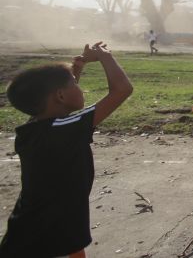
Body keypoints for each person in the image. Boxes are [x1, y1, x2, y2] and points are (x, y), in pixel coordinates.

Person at [0, 42, 134, 257]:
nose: (80, 88)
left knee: (72, 247)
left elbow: (57, 103)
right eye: (75, 84)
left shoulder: (35, 128)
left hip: (39, 226)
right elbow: (122, 90)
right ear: (61, 96)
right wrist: (104, 56)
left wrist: (76, 70)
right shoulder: (64, 129)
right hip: (46, 235)